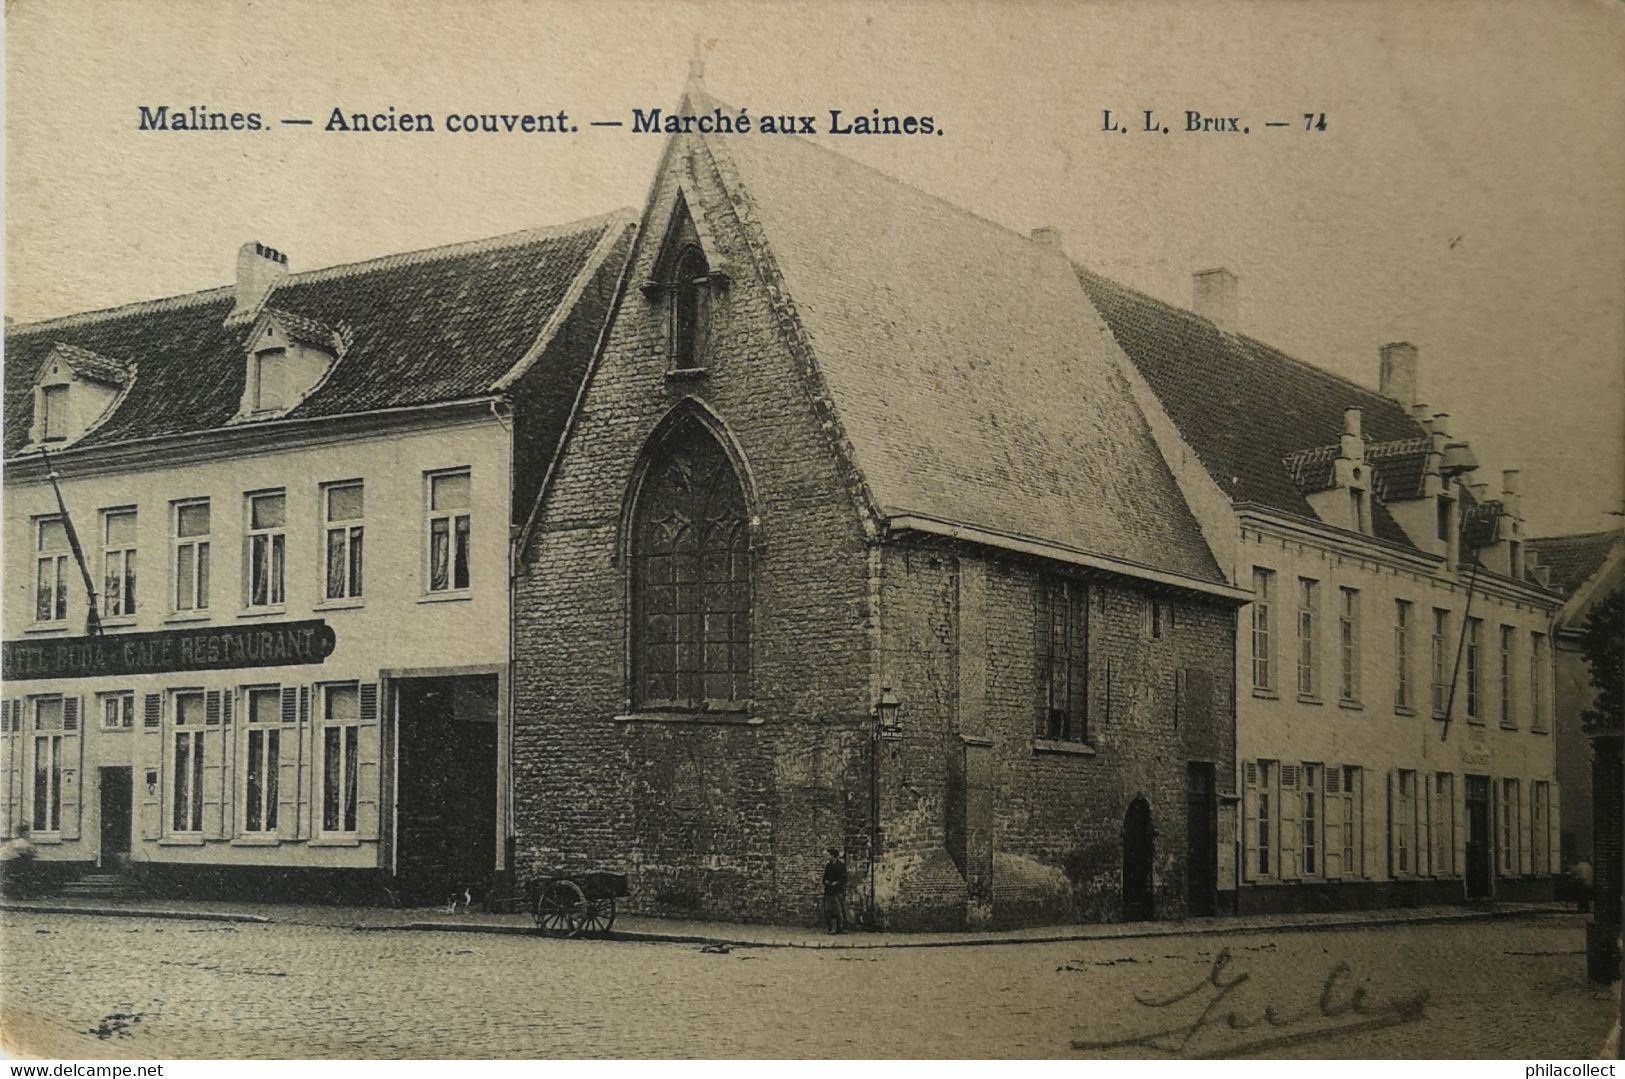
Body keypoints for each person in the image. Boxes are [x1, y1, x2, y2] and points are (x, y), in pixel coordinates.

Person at [822, 847, 848, 934]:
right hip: (828, 891)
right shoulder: (828, 866)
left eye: (829, 855)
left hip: (837, 891)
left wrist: (837, 883)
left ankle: (840, 928)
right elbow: (824, 878)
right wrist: (826, 882)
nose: (828, 856)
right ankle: (831, 928)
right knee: (828, 911)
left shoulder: (841, 866)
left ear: (833, 856)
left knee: (839, 910)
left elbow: (844, 879)